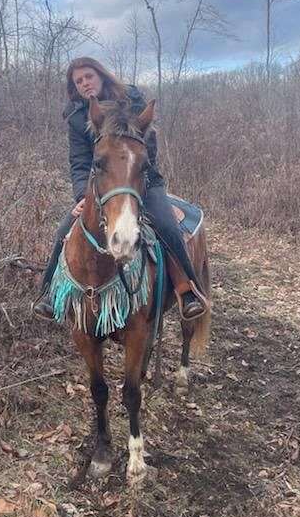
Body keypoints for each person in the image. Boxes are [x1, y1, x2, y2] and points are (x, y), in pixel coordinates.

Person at [32, 57, 209, 321]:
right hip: (100, 187)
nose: (84, 83)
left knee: (167, 225)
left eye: (88, 76)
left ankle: (188, 290)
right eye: (78, 81)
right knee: (63, 230)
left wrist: (135, 178)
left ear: (101, 75)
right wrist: (82, 195)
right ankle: (48, 293)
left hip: (141, 180)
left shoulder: (132, 101)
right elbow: (80, 162)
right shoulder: (77, 117)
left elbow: (148, 150)